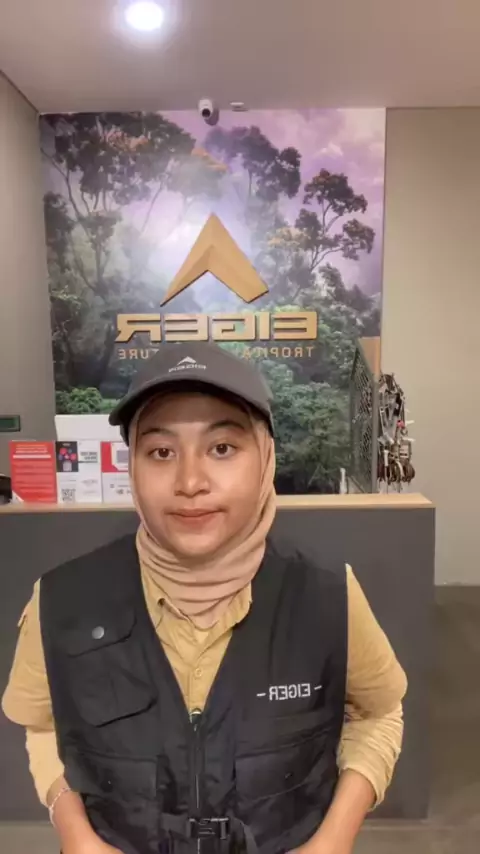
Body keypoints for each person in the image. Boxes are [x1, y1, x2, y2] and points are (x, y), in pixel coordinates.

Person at [2, 342, 407, 854]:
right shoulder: (61, 601)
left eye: (222, 448)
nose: (190, 482)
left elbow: (378, 715)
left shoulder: (328, 597)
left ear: (265, 459)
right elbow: (43, 726)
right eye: (161, 452)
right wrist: (77, 835)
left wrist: (332, 841)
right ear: (133, 468)